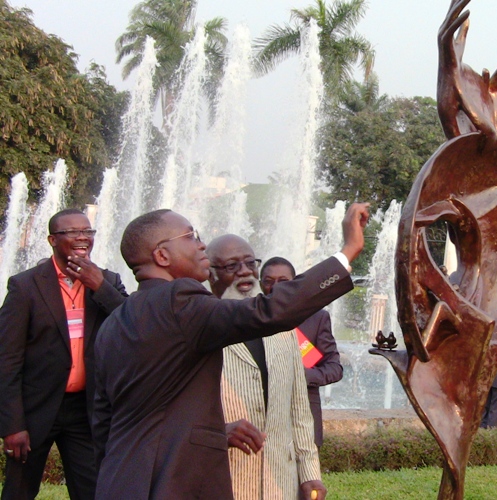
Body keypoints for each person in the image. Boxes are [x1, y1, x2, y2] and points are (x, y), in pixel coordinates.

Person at [92, 204, 368, 499]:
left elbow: (103, 421)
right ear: (161, 255)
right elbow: (270, 310)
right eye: (190, 236)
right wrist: (348, 251)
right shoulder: (179, 301)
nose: (201, 245)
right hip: (173, 483)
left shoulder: (114, 323)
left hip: (121, 480)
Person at [0, 208, 128, 500]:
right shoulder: (25, 286)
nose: (82, 237)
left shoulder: (107, 280)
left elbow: (131, 325)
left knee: (93, 491)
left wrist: (99, 286)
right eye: (72, 232)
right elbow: (7, 359)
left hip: (86, 409)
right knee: (18, 492)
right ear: (52, 240)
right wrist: (12, 425)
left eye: (87, 231)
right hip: (36, 409)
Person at [207, 241, 326, 499]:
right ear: (211, 273)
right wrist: (219, 431)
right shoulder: (199, 328)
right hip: (223, 480)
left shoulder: (283, 328)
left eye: (250, 263)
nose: (244, 271)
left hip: (279, 484)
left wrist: (309, 473)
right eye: (232, 266)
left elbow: (299, 410)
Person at [260, 257, 343, 447]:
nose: (275, 287)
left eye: (283, 281)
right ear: (260, 284)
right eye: (268, 281)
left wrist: (301, 375)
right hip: (261, 414)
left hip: (303, 412)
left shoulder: (316, 318)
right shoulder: (250, 318)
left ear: (295, 284)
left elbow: (334, 368)